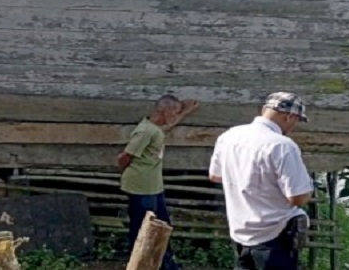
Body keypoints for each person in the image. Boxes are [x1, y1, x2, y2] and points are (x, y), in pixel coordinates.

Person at [209, 92, 314, 270]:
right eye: (296, 120)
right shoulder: (282, 145)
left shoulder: (229, 136)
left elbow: (215, 176)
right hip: (275, 232)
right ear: (289, 116)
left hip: (241, 229)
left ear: (265, 110)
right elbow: (297, 198)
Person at [117, 94, 199, 270]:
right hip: (141, 187)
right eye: (174, 112)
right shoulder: (145, 131)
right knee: (143, 228)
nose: (175, 116)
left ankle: (165, 264)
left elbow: (169, 124)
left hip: (153, 186)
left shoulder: (156, 128)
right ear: (165, 111)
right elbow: (124, 157)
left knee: (162, 225)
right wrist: (131, 173)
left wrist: (185, 110)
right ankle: (140, 264)